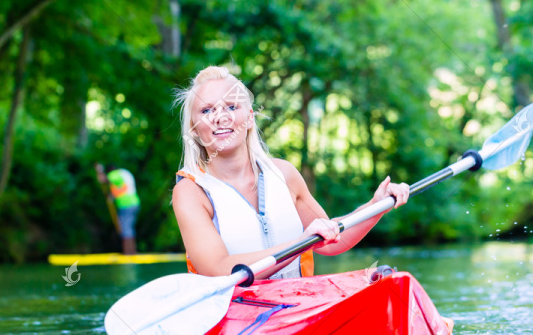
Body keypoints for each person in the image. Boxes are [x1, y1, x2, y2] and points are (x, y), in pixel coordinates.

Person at [171, 66, 409, 280]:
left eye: (232, 106)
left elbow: (331, 240)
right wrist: (301, 243)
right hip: (233, 315)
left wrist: (378, 204)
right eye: (206, 110)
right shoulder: (190, 192)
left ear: (250, 117)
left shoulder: (284, 173)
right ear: (194, 131)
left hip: (295, 304)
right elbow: (217, 269)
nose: (220, 117)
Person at [97, 163, 140, 255]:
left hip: (127, 204)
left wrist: (99, 170)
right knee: (127, 228)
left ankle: (128, 253)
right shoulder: (125, 173)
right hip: (133, 203)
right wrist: (112, 196)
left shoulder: (116, 174)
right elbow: (122, 188)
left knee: (125, 228)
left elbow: (103, 180)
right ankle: (131, 252)